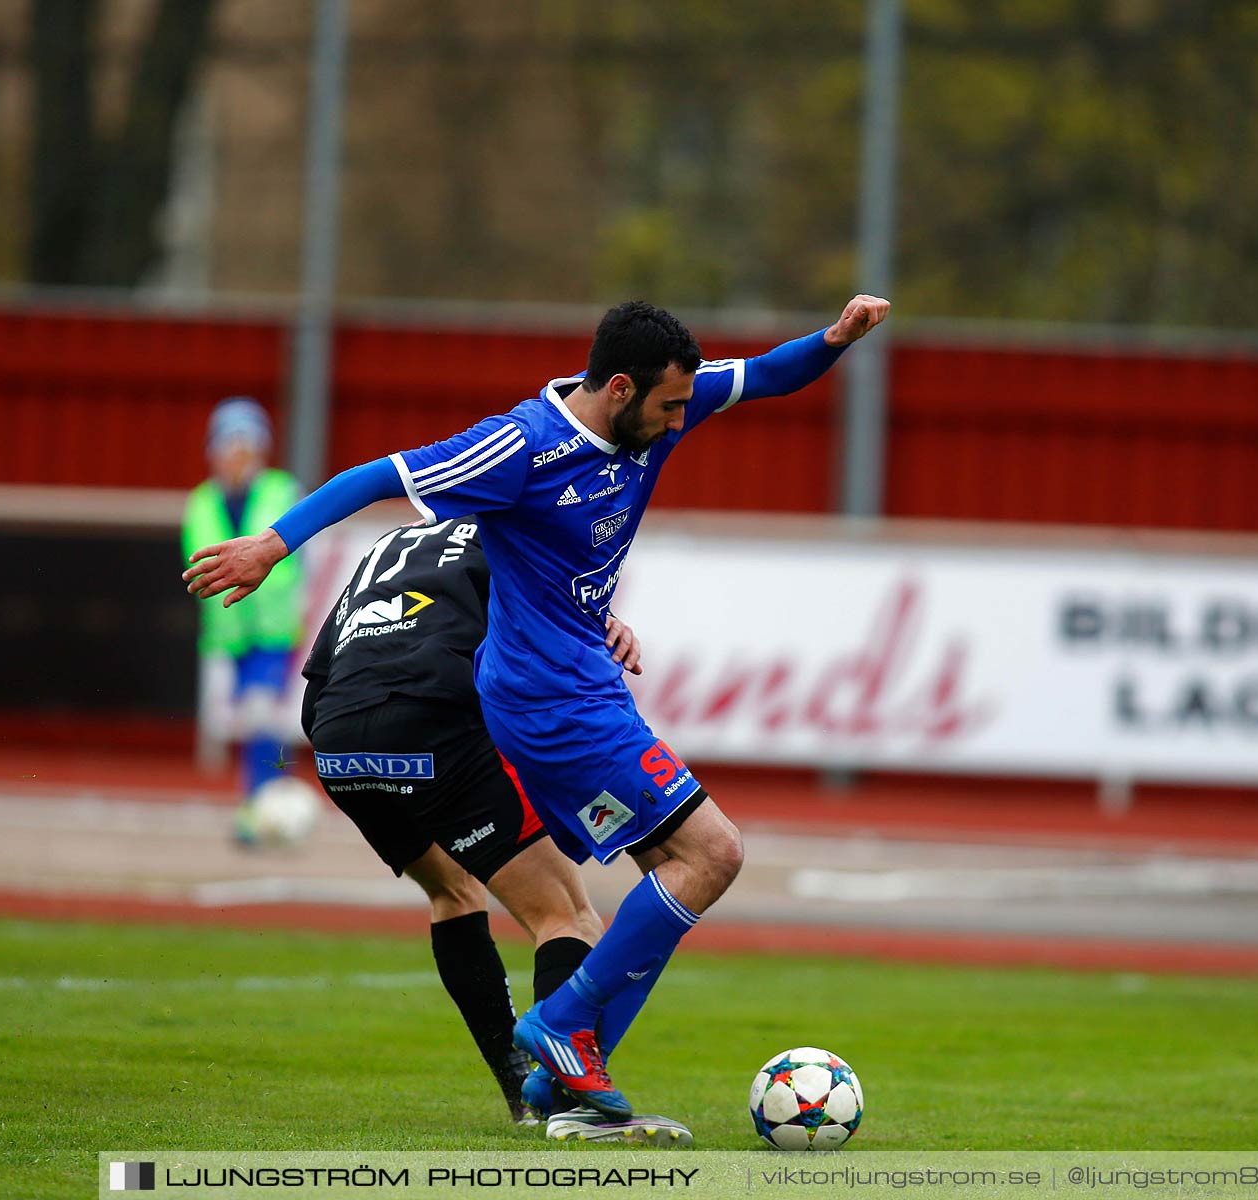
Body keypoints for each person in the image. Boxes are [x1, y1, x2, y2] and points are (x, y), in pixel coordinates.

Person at [185, 295, 890, 1127]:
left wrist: (835, 340)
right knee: (713, 852)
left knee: (670, 870)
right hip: (549, 698)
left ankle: (566, 1090)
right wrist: (273, 544)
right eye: (667, 408)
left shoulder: (668, 397)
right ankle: (560, 1027)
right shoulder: (519, 446)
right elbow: (378, 475)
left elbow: (772, 374)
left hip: (573, 683)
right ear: (621, 389)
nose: (678, 424)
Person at [299, 515, 689, 1144]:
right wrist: (609, 628)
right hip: (428, 719)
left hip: (337, 740)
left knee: (453, 891)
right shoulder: (517, 536)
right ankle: (569, 1101)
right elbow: (546, 650)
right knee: (565, 914)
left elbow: (319, 679)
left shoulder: (393, 541)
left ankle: (518, 1087)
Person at [181, 397, 306, 839]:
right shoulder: (201, 502)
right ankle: (269, 797)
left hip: (274, 632)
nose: (238, 455)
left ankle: (259, 804)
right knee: (256, 720)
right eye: (230, 445)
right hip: (232, 634)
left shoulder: (281, 490)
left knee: (260, 713)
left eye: (247, 445)